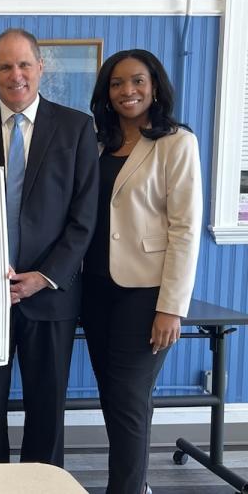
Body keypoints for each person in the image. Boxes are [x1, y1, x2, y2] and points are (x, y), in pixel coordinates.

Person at [0, 28, 98, 467]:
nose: (16, 75)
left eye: (24, 64)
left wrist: (45, 276)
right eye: (5, 66)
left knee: (47, 411)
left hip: (51, 294)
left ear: (40, 67)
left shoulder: (75, 128)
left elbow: (83, 218)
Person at [83, 50, 202, 494]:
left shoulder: (176, 143)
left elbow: (185, 229)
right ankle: (139, 484)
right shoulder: (96, 142)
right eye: (116, 84)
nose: (127, 91)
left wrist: (171, 308)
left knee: (129, 399)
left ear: (155, 85)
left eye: (137, 81)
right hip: (95, 289)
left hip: (146, 293)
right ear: (106, 92)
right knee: (115, 399)